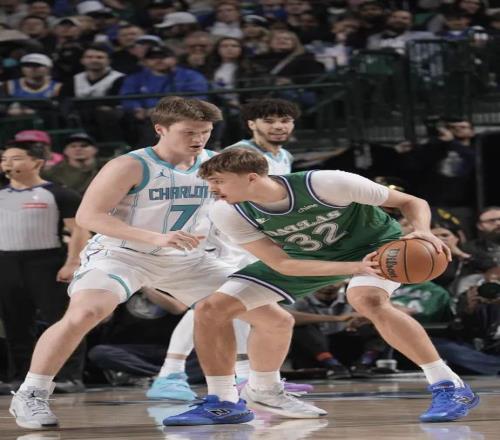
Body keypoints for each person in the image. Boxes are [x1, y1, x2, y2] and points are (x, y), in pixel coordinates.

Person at [163, 148, 479, 426]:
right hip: (305, 258)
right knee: (212, 308)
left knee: (367, 299)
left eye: (219, 181)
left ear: (252, 177)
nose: (213, 189)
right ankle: (224, 402)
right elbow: (282, 264)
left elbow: (411, 201)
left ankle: (449, 386)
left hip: (376, 247)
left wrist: (422, 231)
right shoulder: (227, 210)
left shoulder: (326, 183)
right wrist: (351, 268)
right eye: (210, 183)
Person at [8, 96, 240, 430]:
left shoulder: (215, 163)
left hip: (186, 257)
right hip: (122, 254)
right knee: (86, 312)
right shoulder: (130, 165)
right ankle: (31, 393)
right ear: (160, 129)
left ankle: (238, 395)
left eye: (205, 131)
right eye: (189, 132)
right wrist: (155, 237)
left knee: (263, 311)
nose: (198, 138)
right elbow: (89, 216)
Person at [146, 98, 308, 401]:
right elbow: (216, 194)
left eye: (284, 120)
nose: (278, 126)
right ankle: (171, 372)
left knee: (241, 303)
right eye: (269, 120)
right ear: (251, 124)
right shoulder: (236, 154)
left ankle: (247, 376)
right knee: (215, 303)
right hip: (223, 235)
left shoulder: (283, 155)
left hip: (250, 235)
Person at [0, 141, 89, 394]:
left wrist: (73, 262)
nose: (8, 163)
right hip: (6, 263)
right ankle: (20, 377)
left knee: (62, 321)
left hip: (47, 262)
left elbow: (80, 230)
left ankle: (70, 376)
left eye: (16, 158)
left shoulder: (59, 193)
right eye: (4, 159)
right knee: (15, 323)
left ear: (37, 162)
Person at [42, 132, 108, 194]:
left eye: (84, 146)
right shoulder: (52, 173)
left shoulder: (107, 168)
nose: (78, 149)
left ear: (95, 149)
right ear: (65, 151)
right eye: (73, 146)